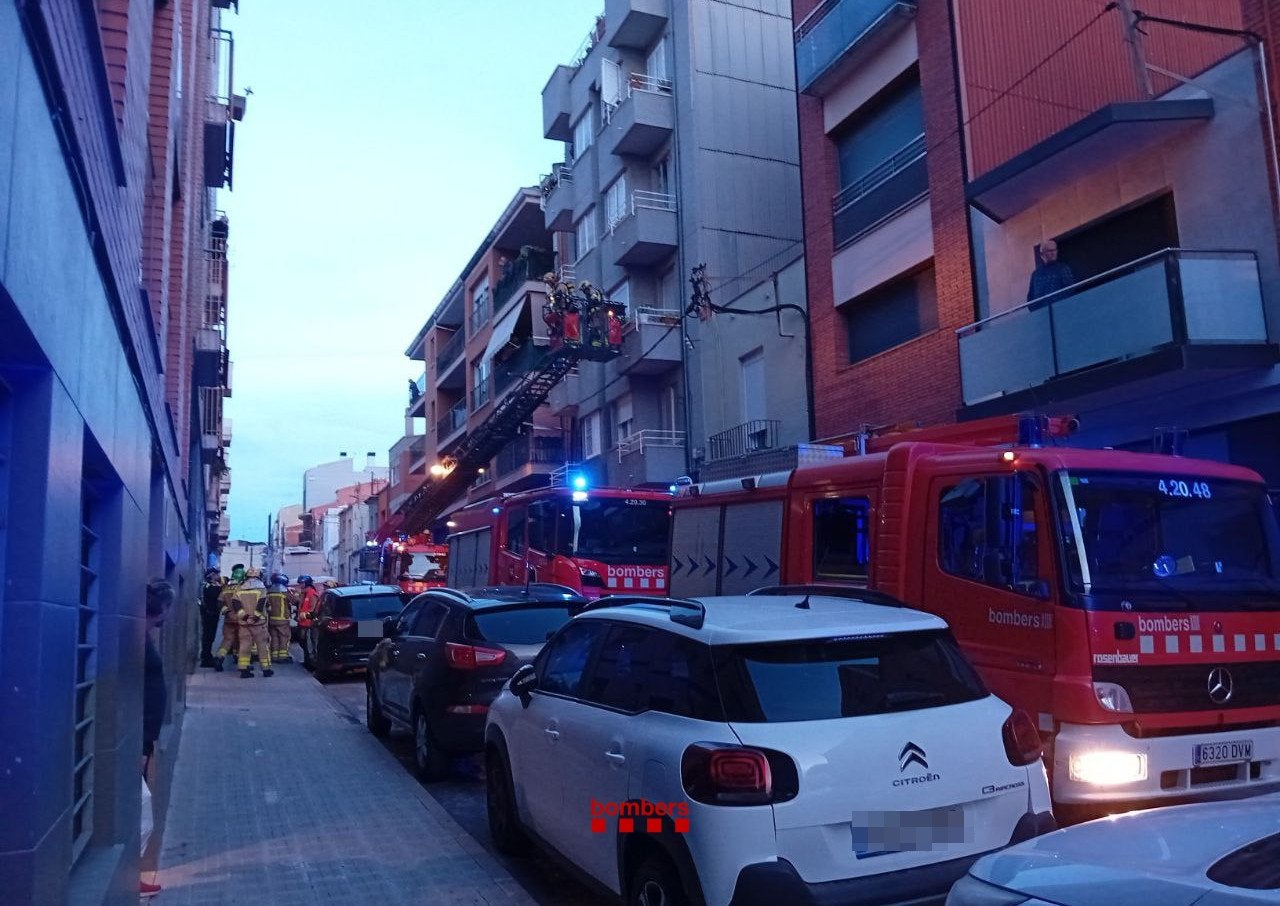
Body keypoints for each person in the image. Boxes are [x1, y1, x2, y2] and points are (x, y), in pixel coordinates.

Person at [141, 579, 175, 900]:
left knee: (142, 805)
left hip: (144, 737)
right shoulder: (136, 634)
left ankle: (133, 876)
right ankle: (132, 879)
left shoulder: (144, 633)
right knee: (139, 806)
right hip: (139, 738)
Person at [231, 568, 273, 678]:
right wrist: (254, 618)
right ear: (258, 576)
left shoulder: (239, 589)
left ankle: (243, 670)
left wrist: (245, 617)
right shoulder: (262, 588)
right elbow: (262, 604)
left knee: (244, 646)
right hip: (258, 624)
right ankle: (266, 669)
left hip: (244, 624)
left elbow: (235, 604)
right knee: (262, 646)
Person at [213, 563, 247, 671]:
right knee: (241, 640)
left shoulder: (226, 588)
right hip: (241, 619)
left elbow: (219, 602)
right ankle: (240, 661)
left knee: (227, 640)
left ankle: (219, 658)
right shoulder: (244, 588)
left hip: (229, 619)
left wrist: (226, 611)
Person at [1027, 239, 1075, 303]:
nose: (1053, 253)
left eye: (1055, 250)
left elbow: (1070, 290)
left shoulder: (1063, 268)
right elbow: (1030, 297)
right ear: (1042, 254)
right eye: (1049, 251)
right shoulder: (1036, 275)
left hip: (1060, 307)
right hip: (1042, 311)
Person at [198, 569, 223, 668]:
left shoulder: (210, 585)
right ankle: (206, 659)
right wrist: (221, 588)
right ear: (212, 575)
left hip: (210, 613)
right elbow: (214, 595)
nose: (218, 576)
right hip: (209, 614)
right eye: (217, 574)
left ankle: (207, 656)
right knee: (208, 636)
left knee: (209, 637)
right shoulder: (210, 585)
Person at [265, 575, 292, 663]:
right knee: (284, 637)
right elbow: (294, 600)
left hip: (271, 619)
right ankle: (282, 657)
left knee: (274, 637)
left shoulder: (269, 592)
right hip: (283, 619)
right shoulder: (284, 592)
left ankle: (274, 656)